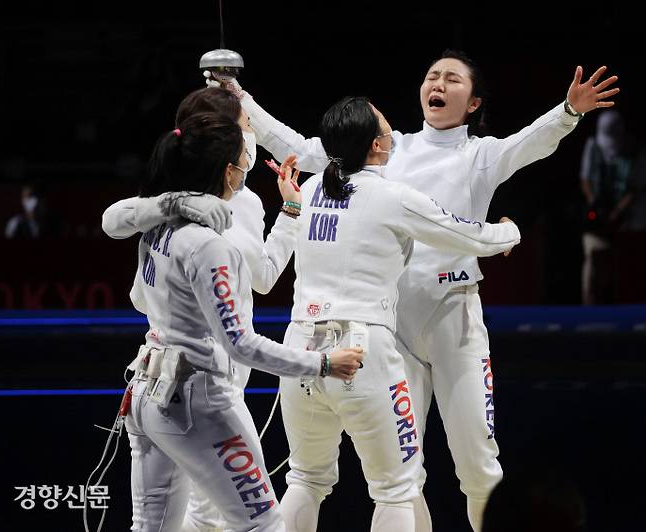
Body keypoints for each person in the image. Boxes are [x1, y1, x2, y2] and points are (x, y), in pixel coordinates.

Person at [213, 50, 619, 531]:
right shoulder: (388, 149)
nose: (438, 83)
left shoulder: (479, 155)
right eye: (432, 76)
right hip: (390, 326)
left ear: (473, 103)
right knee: (404, 477)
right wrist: (241, 97)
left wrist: (568, 112)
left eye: (452, 79)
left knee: (478, 469)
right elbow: (296, 147)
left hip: (453, 319)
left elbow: (528, 144)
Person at [272, 96, 520, 532]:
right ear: (374, 146)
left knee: (305, 479)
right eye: (385, 127)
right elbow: (466, 236)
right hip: (361, 352)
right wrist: (510, 231)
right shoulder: (393, 196)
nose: (393, 134)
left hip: (300, 353)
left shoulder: (308, 191)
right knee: (396, 489)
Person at [122, 111, 364, 532]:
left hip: (146, 389)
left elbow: (139, 298)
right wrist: (324, 363)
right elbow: (240, 344)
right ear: (230, 170)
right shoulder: (209, 245)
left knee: (153, 526)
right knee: (263, 525)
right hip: (199, 398)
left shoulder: (156, 224)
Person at [103, 87, 305, 532]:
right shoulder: (170, 203)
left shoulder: (245, 204)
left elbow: (264, 277)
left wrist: (290, 211)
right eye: (248, 126)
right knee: (234, 519)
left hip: (175, 378)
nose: (253, 135)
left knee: (173, 519)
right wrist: (322, 364)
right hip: (205, 376)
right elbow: (113, 221)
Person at [580, 110, 634, 304]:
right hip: (598, 214)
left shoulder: (629, 150)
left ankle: (617, 300)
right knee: (592, 257)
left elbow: (633, 187)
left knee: (618, 261)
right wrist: (595, 205)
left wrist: (618, 211)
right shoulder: (593, 145)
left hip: (622, 214)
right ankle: (589, 302)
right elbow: (585, 179)